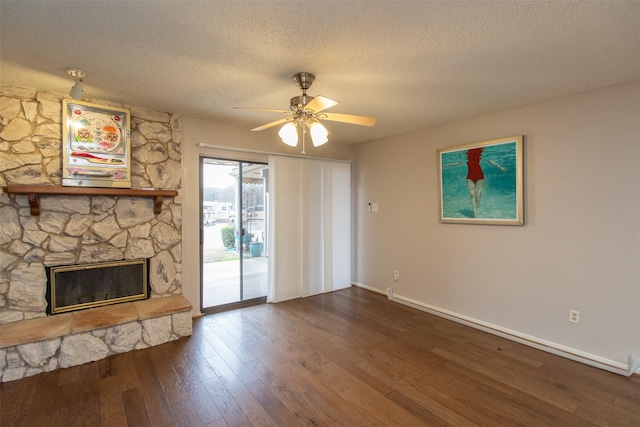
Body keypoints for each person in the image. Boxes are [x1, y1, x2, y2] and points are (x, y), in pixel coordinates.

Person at [445, 147, 508, 218]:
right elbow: (458, 162)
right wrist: (449, 164)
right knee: (472, 195)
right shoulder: (467, 156)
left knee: (478, 195)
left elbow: (490, 161)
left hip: (480, 177)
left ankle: (475, 211)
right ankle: (475, 213)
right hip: (470, 177)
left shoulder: (480, 156)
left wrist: (500, 167)